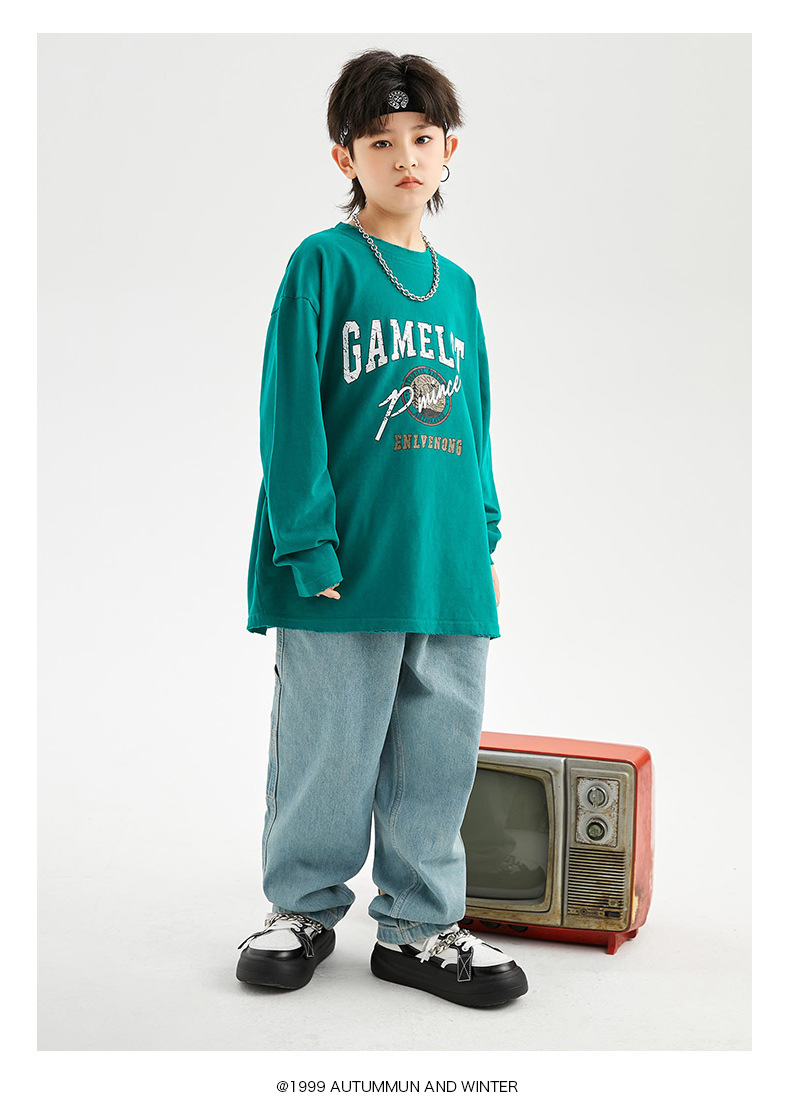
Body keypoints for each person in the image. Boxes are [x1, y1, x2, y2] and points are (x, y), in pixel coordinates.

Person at [236, 48, 529, 1009]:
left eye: (422, 138)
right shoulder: (322, 264)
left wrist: (483, 530)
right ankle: (301, 909)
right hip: (341, 561)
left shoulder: (460, 288)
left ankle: (418, 927)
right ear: (345, 158)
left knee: (438, 753)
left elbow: (476, 420)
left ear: (450, 151)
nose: (405, 157)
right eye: (380, 141)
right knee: (329, 744)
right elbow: (290, 412)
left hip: (444, 563)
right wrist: (305, 542)